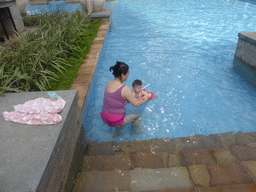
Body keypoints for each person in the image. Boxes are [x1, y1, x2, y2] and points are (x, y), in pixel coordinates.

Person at [101, 61, 149, 136]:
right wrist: (146, 98)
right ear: (123, 75)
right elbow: (136, 104)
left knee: (118, 116)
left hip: (104, 117)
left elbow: (115, 99)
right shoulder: (125, 89)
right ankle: (134, 132)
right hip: (114, 121)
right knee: (137, 116)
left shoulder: (108, 84)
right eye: (127, 74)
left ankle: (116, 132)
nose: (128, 76)